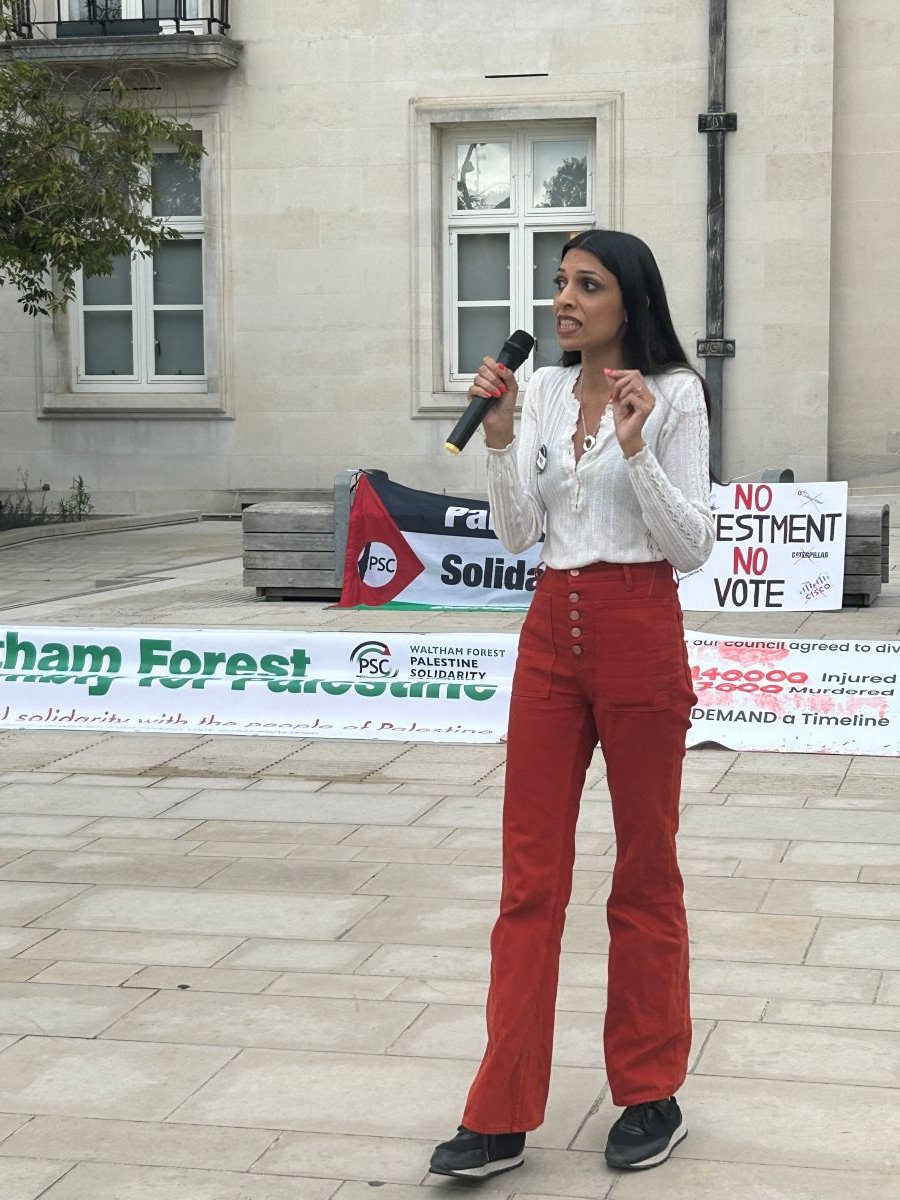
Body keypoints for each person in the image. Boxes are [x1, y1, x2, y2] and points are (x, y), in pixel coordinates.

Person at [429, 229, 715, 1179]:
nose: (563, 299)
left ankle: (649, 1092)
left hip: (639, 626)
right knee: (529, 880)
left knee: (644, 870)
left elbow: (691, 546)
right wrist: (502, 439)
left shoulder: (674, 396)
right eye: (558, 284)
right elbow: (517, 534)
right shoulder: (544, 391)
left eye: (586, 285)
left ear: (629, 301)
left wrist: (637, 450)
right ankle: (500, 1109)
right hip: (552, 629)